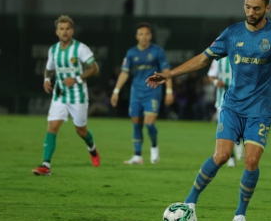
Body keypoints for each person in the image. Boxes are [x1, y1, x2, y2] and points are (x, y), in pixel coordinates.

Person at [146, 0, 271, 221]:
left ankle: (239, 214)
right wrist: (169, 74)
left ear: (267, 8)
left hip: (260, 110)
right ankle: (190, 203)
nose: (251, 12)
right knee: (221, 156)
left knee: (250, 161)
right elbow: (204, 58)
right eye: (247, 7)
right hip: (232, 106)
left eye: (256, 8)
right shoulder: (232, 33)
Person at [31, 15, 101, 176]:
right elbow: (49, 68)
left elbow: (94, 69)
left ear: (72, 31)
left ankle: (92, 149)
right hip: (60, 96)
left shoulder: (80, 49)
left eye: (67, 29)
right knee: (52, 127)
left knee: (81, 131)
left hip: (78, 96)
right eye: (61, 29)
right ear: (56, 32)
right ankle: (46, 165)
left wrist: (76, 78)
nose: (65, 32)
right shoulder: (53, 50)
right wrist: (47, 79)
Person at [110, 22, 173, 165]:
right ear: (136, 36)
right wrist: (116, 91)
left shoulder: (158, 51)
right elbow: (124, 73)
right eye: (141, 34)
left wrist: (169, 91)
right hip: (136, 92)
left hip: (152, 92)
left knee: (149, 124)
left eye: (146, 34)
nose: (144, 37)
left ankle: (154, 146)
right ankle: (137, 156)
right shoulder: (131, 53)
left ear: (150, 36)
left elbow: (166, 72)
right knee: (136, 124)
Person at [207, 58, 244, 167]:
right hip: (222, 100)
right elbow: (211, 75)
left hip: (239, 99)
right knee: (225, 131)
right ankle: (231, 158)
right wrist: (216, 81)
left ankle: (238, 141)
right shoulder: (219, 58)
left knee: (237, 127)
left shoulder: (242, 55)